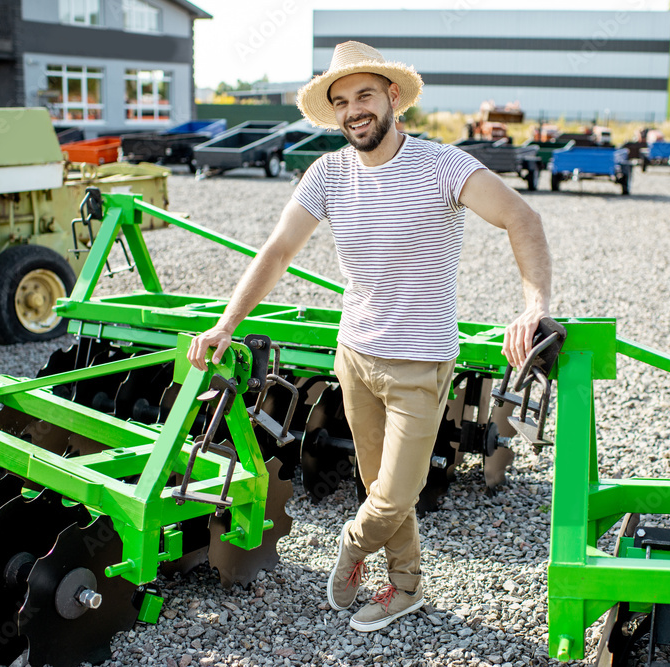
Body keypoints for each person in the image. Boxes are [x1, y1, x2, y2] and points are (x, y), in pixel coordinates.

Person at [188, 41, 551, 633]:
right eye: (341, 101)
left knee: (388, 498)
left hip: (420, 364)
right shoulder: (327, 173)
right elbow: (278, 251)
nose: (353, 109)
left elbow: (522, 218)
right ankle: (405, 588)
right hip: (354, 358)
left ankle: (351, 547)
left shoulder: (442, 166)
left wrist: (533, 307)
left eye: (364, 95)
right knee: (383, 486)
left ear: (393, 99)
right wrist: (225, 325)